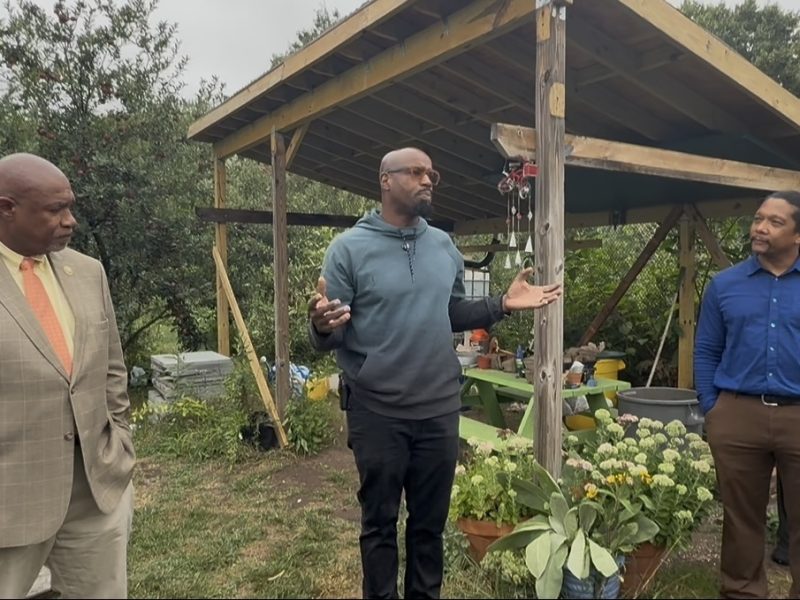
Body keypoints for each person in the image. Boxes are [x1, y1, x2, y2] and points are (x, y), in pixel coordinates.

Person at [308, 147, 562, 599]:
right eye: (416, 172)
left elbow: (450, 311)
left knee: (429, 529)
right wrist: (320, 325)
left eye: (432, 174)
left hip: (438, 411)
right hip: (377, 411)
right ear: (386, 180)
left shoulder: (443, 246)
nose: (428, 180)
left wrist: (500, 303)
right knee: (379, 525)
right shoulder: (349, 249)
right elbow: (332, 331)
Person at [0, 153, 135, 598]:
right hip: (11, 496)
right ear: (7, 208)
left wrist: (119, 435)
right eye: (55, 210)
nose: (70, 220)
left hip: (96, 484)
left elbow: (112, 369)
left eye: (70, 206)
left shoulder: (87, 272)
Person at [695, 190, 800, 598]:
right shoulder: (725, 285)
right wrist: (713, 410)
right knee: (741, 521)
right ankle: (742, 592)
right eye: (758, 218)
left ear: (797, 235)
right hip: (738, 415)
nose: (760, 227)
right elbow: (706, 350)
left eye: (775, 222)